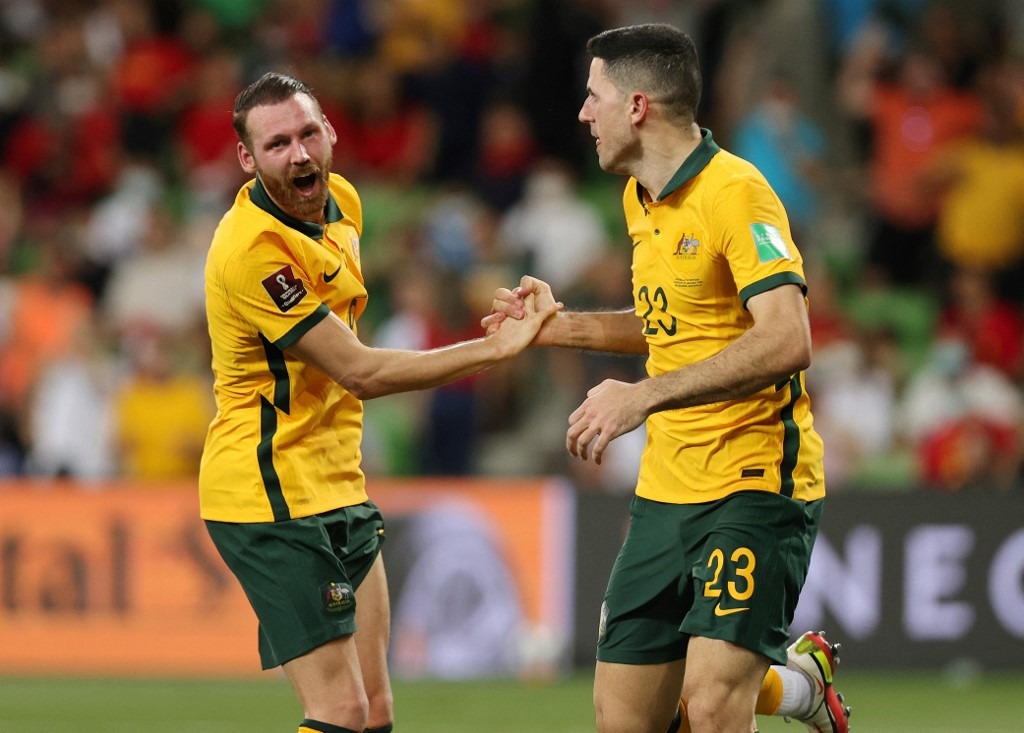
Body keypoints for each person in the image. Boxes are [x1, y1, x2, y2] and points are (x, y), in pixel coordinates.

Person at [484, 24, 850, 733]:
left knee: (710, 707)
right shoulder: (639, 197)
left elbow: (787, 336)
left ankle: (787, 685)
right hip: (665, 493)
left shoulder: (738, 193)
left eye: (594, 97)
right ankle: (800, 683)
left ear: (638, 105)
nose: (583, 113)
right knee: (626, 721)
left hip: (754, 484)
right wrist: (561, 327)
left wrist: (643, 395)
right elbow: (672, 323)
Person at [198, 72, 558, 733]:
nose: (300, 154)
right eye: (277, 144)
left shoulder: (344, 206)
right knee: (338, 711)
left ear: (331, 131)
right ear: (247, 159)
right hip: (268, 492)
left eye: (309, 133)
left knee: (376, 712)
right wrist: (494, 350)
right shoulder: (250, 251)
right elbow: (360, 370)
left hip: (338, 485)